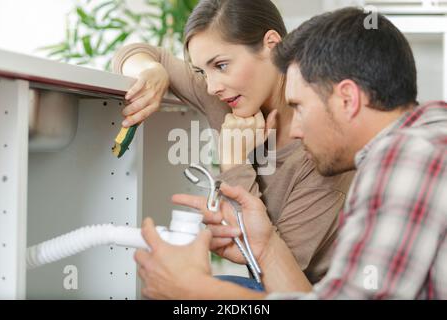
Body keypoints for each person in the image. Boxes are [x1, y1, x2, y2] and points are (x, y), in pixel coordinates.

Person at [134, 7, 447, 299]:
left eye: (299, 107)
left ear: (348, 99)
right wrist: (267, 244)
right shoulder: (422, 139)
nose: (295, 129)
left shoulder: (409, 158)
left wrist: (195, 291)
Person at [113, 0, 354, 286]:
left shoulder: (323, 150)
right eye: (203, 72)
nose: (212, 86)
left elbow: (273, 269)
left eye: (221, 65)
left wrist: (234, 160)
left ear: (272, 45)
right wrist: (152, 72)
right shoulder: (224, 96)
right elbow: (133, 53)